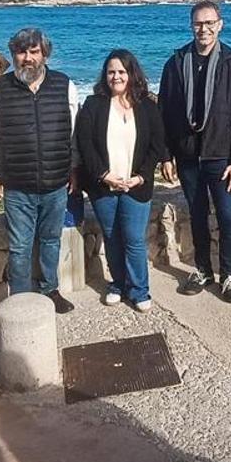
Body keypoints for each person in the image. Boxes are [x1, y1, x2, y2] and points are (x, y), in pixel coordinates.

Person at [0, 28, 79, 314]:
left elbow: (73, 133)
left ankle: (50, 290)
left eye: (34, 52)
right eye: (22, 52)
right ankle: (20, 298)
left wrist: (74, 169)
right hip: (17, 185)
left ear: (44, 54)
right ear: (13, 56)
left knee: (50, 240)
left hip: (56, 183)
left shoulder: (64, 85)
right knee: (20, 246)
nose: (28, 58)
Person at [158, 0, 231, 303]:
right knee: (197, 214)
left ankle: (228, 275)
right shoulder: (176, 62)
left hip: (222, 157)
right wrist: (165, 155)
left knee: (227, 217)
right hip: (187, 156)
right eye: (198, 23)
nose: (204, 29)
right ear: (191, 25)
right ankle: (202, 270)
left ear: (220, 25)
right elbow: (165, 111)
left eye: (210, 23)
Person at [76, 49, 167, 311]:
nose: (116, 76)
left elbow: (156, 146)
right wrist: (105, 175)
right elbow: (85, 145)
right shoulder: (94, 104)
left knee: (134, 239)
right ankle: (117, 284)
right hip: (103, 186)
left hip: (136, 186)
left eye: (121, 71)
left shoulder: (148, 105)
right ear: (105, 76)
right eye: (111, 72)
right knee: (113, 236)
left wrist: (140, 176)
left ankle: (139, 290)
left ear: (131, 74)